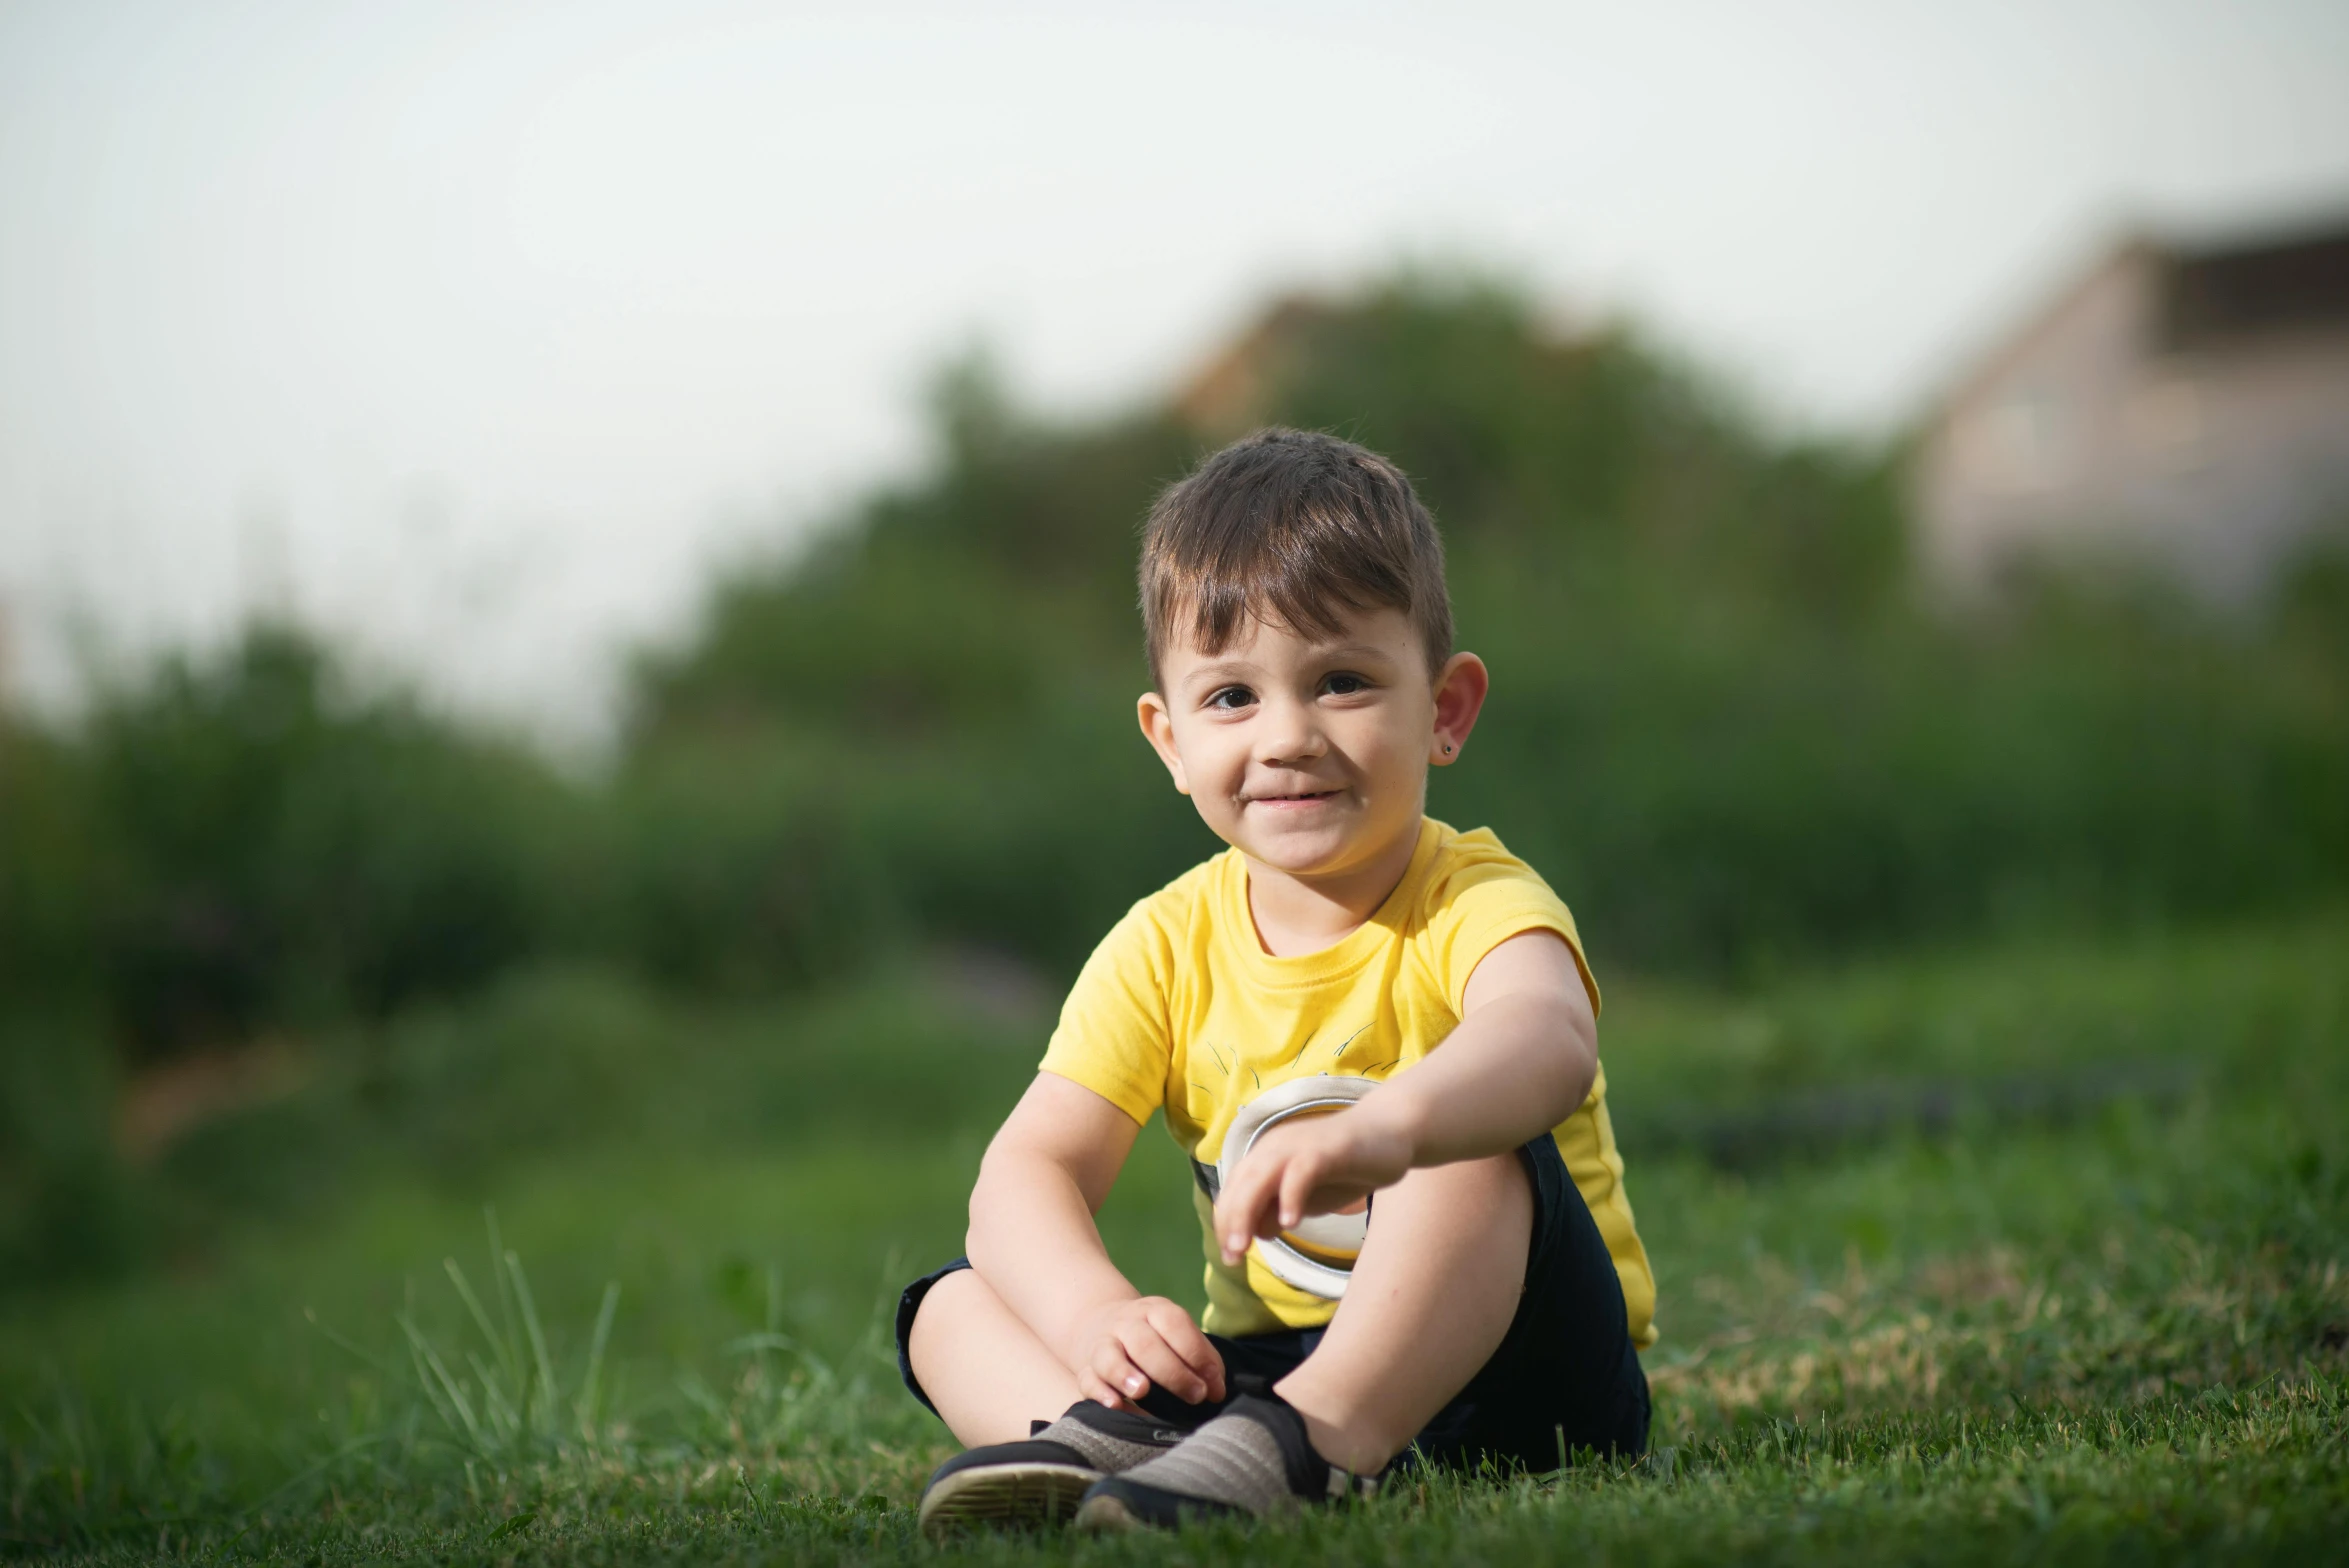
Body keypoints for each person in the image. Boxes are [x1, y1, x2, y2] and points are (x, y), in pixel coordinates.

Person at [899, 428, 1656, 1535]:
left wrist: (1394, 1128)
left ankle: (1310, 1445)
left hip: (1519, 1374)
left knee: (1472, 1145)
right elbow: (1030, 1164)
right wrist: (1097, 1311)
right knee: (947, 1299)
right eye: (1232, 698)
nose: (1289, 736)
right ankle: (1116, 1442)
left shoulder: (1471, 897)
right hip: (1265, 1368)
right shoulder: (1165, 942)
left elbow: (1545, 1038)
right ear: (1167, 736)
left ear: (1443, 708)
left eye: (1342, 681)